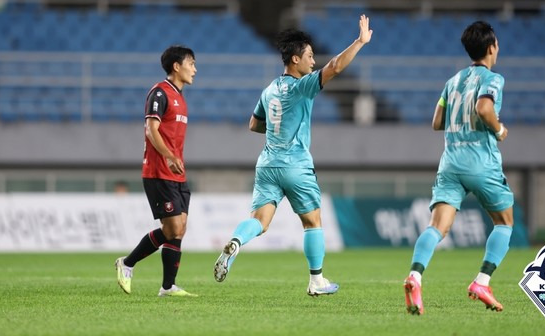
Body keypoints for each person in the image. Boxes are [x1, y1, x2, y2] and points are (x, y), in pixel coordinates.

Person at [214, 15, 373, 296]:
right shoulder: (302, 86)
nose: (314, 61)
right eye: (310, 56)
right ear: (295, 60)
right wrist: (360, 42)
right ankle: (316, 281)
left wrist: (279, 126)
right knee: (313, 222)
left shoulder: (269, 89)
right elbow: (335, 67)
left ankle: (237, 241)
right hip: (296, 165)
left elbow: (253, 124)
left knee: (260, 221)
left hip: (267, 164)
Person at [404, 21, 514, 314]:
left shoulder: (452, 81)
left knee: (437, 227)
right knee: (504, 222)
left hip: (451, 162)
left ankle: (415, 276)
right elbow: (484, 108)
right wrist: (499, 129)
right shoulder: (493, 78)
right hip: (481, 162)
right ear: (491, 48)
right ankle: (482, 280)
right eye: (497, 45)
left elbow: (437, 122)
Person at [115, 45, 197, 297]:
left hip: (176, 173)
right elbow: (152, 129)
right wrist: (169, 156)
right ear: (176, 66)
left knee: (180, 227)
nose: (195, 69)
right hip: (158, 171)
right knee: (172, 229)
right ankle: (127, 263)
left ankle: (167, 286)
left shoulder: (180, 98)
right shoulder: (160, 92)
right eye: (191, 63)